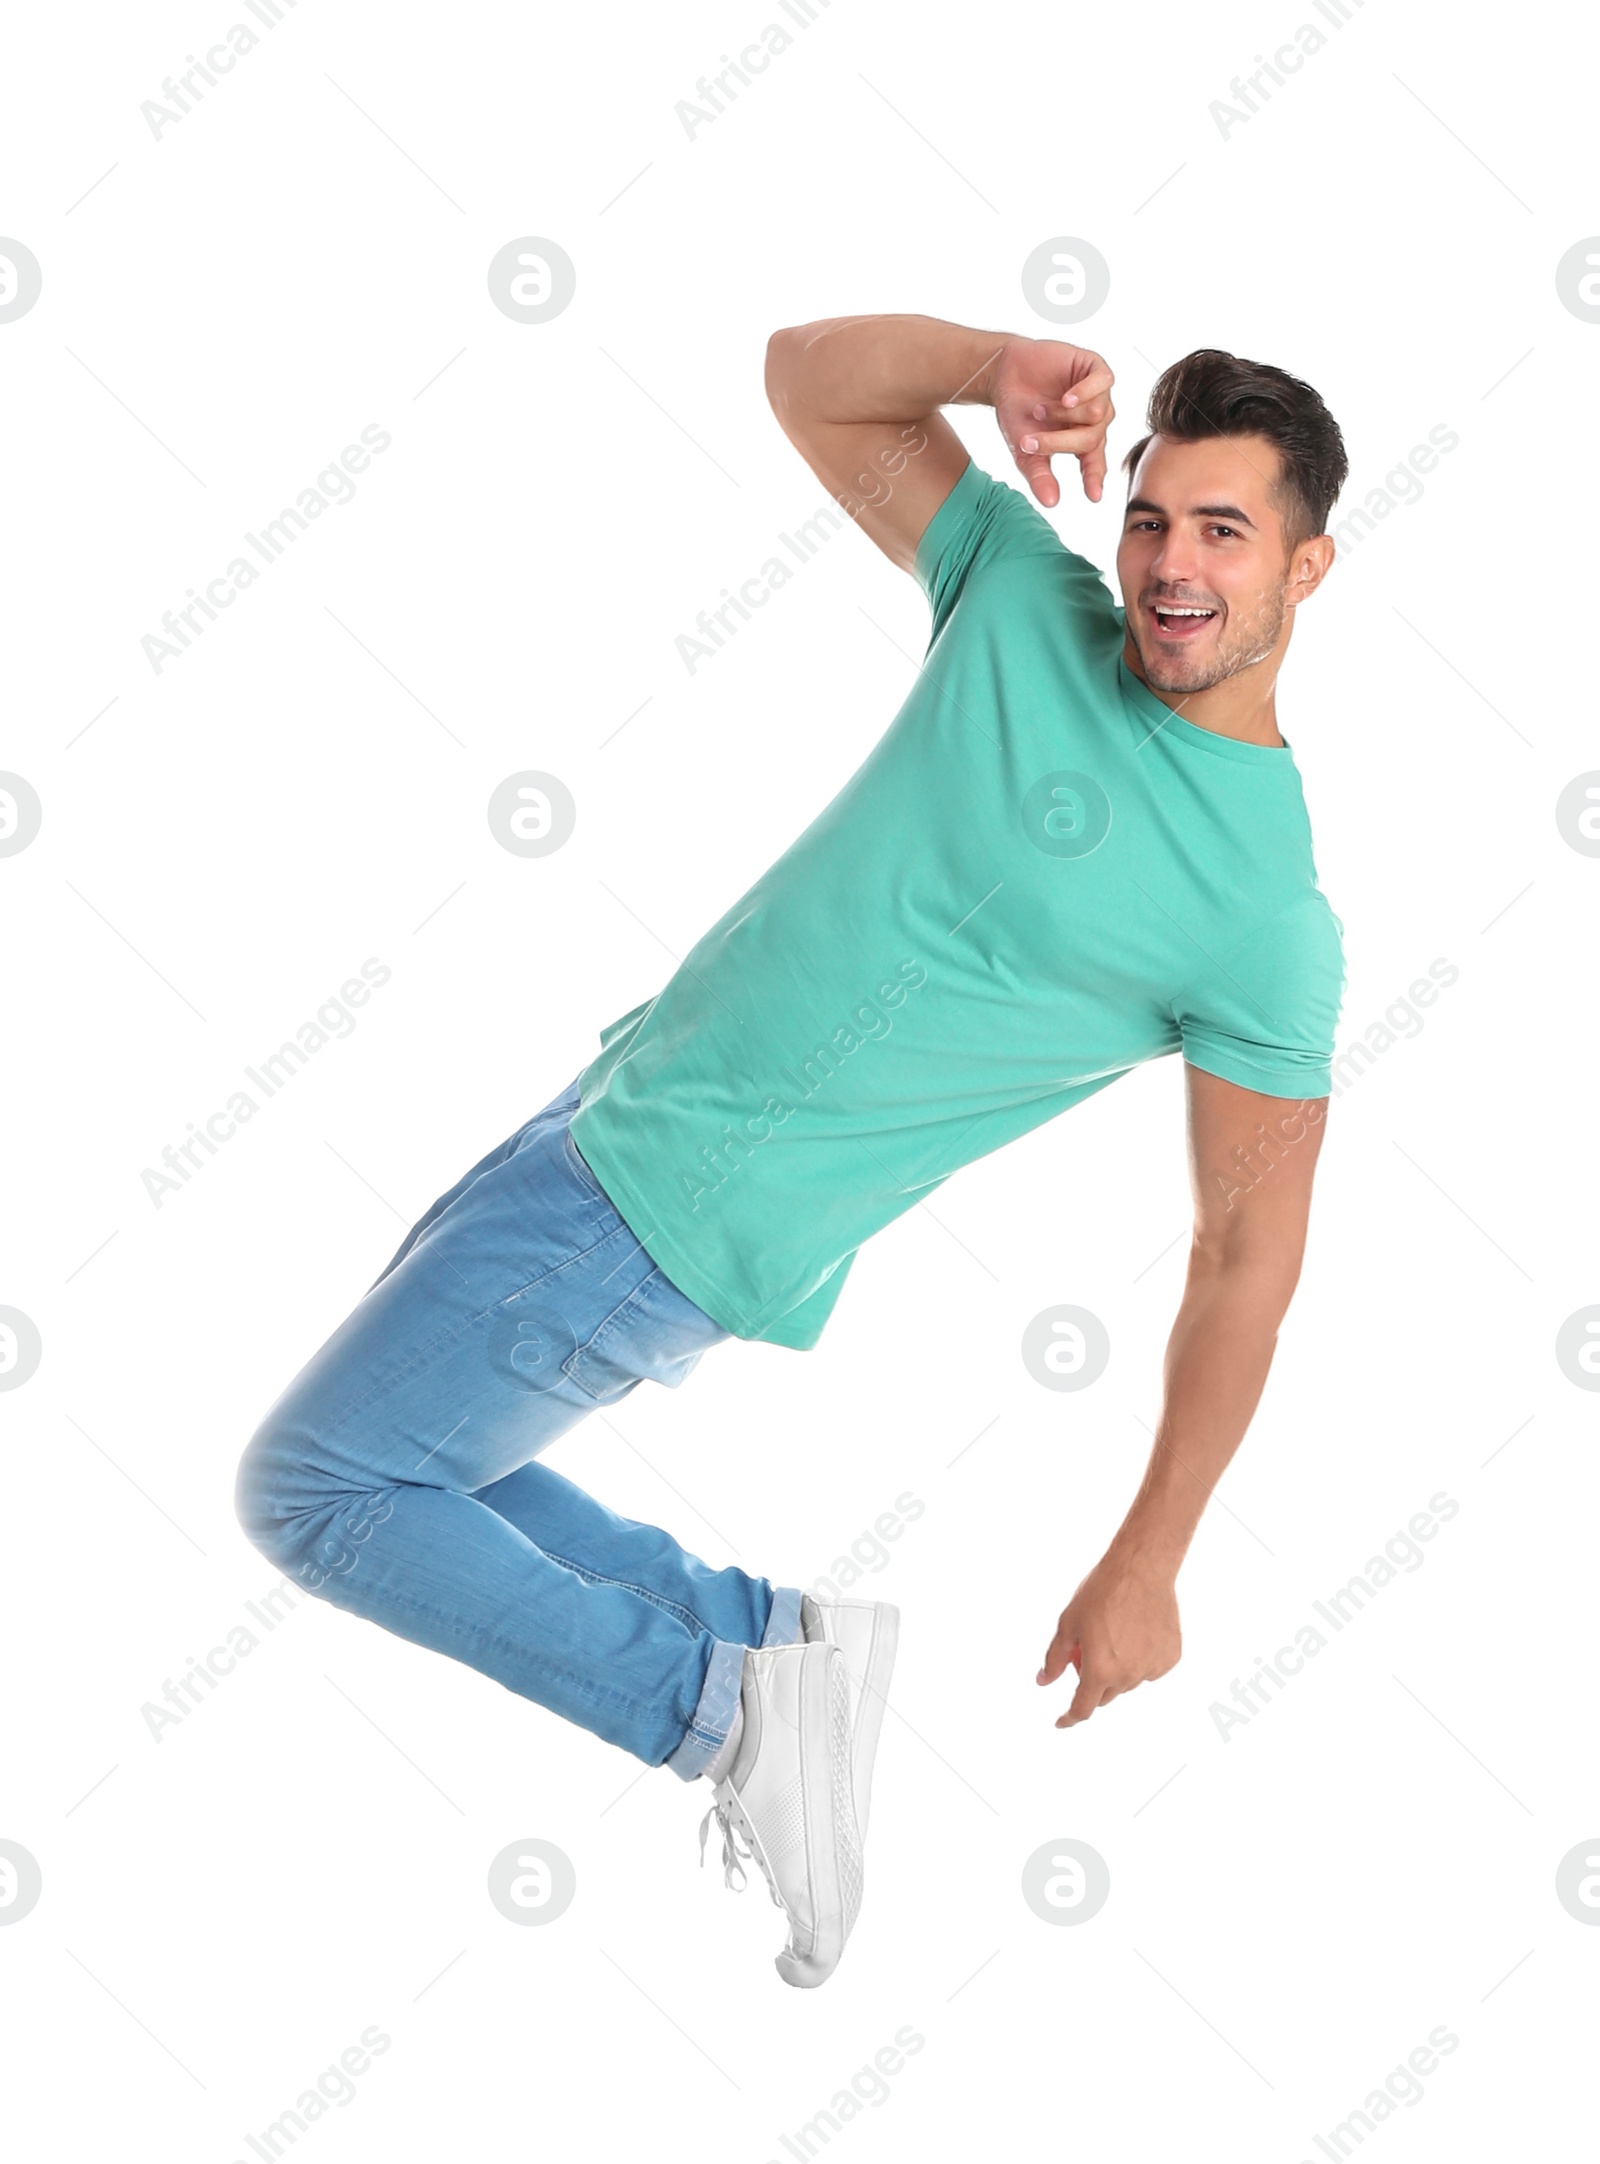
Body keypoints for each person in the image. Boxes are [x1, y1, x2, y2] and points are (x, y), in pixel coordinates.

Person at [236, 312, 1349, 1988]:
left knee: (317, 1488)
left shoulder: (1264, 914)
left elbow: (1247, 1258)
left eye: (1223, 531)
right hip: (608, 1109)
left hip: (671, 1213)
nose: (1170, 566)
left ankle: (726, 1713)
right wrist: (994, 365)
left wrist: (1153, 1552)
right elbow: (803, 379)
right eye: (1149, 515)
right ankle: (776, 1641)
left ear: (1305, 569)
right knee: (412, 1458)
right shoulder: (1023, 605)